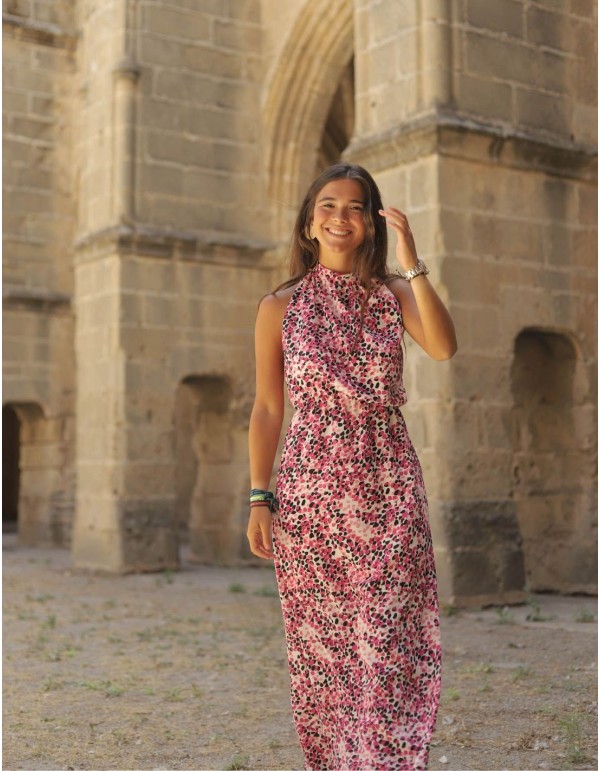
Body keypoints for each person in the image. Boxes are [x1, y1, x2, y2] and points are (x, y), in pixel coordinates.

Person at [247, 162, 457, 771]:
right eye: (329, 207)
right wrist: (260, 497)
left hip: (387, 484)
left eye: (356, 208)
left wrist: (413, 261)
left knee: (389, 640)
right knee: (327, 648)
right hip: (310, 493)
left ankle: (387, 760)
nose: (342, 218)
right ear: (310, 222)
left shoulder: (394, 293)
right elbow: (266, 407)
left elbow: (443, 347)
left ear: (370, 224)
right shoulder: (279, 305)